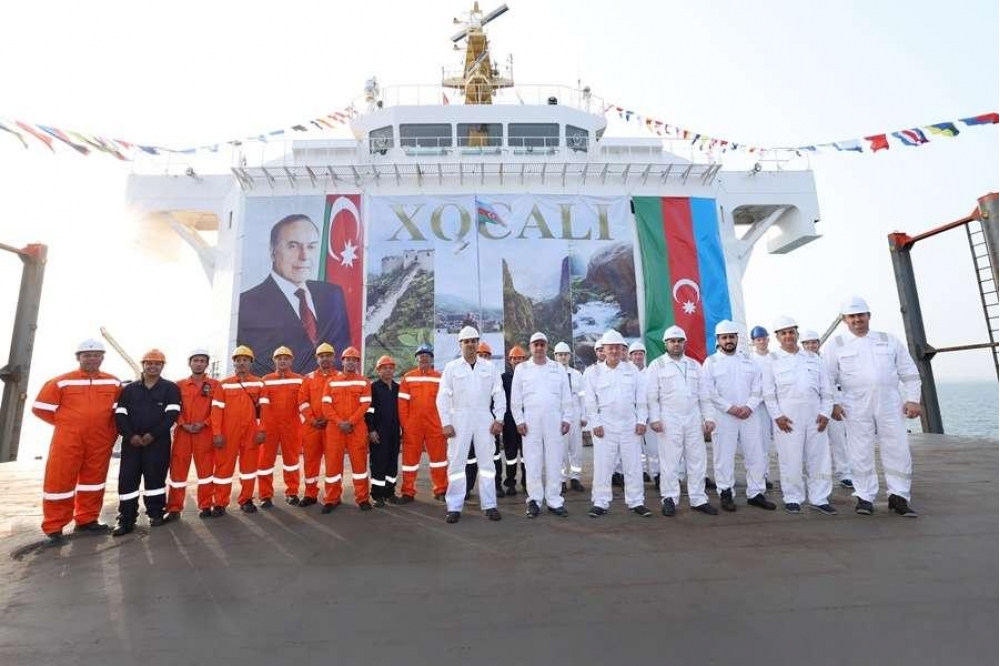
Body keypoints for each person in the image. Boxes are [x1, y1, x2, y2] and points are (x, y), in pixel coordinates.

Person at [825, 296, 922, 517]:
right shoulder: (836, 345)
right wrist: (834, 403)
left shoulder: (888, 340)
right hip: (855, 404)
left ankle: (899, 497)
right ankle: (864, 497)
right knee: (860, 451)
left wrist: (913, 399)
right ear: (844, 319)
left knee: (898, 449)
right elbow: (827, 378)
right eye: (852, 316)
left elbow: (909, 372)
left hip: (889, 403)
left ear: (869, 316)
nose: (857, 320)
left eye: (861, 315)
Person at [237, 214, 351, 376]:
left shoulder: (332, 295)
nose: (304, 256)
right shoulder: (247, 304)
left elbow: (343, 352)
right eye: (293, 246)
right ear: (272, 251)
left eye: (311, 247)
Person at [32, 339, 121, 547]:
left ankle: (87, 519)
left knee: (94, 482)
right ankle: (54, 526)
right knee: (59, 482)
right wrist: (67, 424)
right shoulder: (61, 382)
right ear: (78, 357)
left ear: (102, 358)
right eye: (87, 355)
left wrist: (109, 433)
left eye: (96, 355)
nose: (92, 359)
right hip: (68, 440)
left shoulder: (114, 383)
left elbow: (118, 412)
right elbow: (40, 409)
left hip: (100, 441)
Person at [761, 317, 837, 515]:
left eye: (791, 332)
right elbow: (768, 393)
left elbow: (826, 390)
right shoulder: (771, 360)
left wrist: (825, 412)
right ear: (777, 337)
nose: (788, 336)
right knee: (790, 459)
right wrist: (777, 416)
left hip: (815, 416)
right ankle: (793, 497)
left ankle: (819, 498)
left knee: (819, 458)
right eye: (783, 333)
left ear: (797, 333)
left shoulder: (814, 358)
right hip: (787, 417)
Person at [701, 321, 776, 512]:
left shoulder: (749, 361)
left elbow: (758, 387)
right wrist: (730, 408)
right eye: (724, 338)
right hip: (724, 416)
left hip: (749, 414)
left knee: (755, 454)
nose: (728, 340)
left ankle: (756, 493)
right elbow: (709, 391)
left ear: (737, 338)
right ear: (718, 340)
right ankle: (726, 492)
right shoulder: (711, 362)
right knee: (723, 456)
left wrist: (749, 406)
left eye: (731, 337)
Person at [436, 326, 506, 524]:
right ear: (460, 344)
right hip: (459, 418)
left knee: (487, 464)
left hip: (484, 418)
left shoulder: (489, 367)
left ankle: (490, 505)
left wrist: (499, 419)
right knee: (457, 463)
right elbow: (442, 397)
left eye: (474, 341)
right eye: (466, 341)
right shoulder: (451, 368)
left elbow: (499, 393)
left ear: (478, 343)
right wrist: (446, 422)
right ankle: (454, 507)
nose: (470, 344)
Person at [646, 326, 718, 516]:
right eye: (672, 341)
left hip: (693, 418)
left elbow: (704, 395)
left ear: (684, 343)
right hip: (669, 418)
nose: (676, 344)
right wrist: (655, 418)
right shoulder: (657, 365)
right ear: (665, 344)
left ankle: (698, 498)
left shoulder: (694, 365)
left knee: (697, 459)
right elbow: (652, 396)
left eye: (679, 341)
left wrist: (709, 417)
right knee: (670, 461)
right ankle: (669, 498)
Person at [112, 349, 181, 536]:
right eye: (149, 363)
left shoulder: (170, 388)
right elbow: (120, 414)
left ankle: (156, 513)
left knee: (156, 479)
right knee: (127, 481)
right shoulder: (129, 389)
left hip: (158, 443)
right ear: (143, 365)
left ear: (162, 366)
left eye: (157, 363)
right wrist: (130, 436)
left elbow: (171, 415)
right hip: (131, 444)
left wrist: (153, 435)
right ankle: (126, 519)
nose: (153, 366)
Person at [584, 329, 652, 518]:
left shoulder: (632, 370)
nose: (614, 351)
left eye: (617, 348)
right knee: (603, 466)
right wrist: (595, 423)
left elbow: (642, 398)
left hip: (630, 425)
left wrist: (641, 420)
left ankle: (636, 501)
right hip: (605, 426)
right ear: (603, 349)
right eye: (610, 348)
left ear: (623, 350)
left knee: (633, 465)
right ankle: (600, 502)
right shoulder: (593, 372)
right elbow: (590, 401)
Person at [511, 332, 572, 518]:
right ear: (530, 347)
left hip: (554, 420)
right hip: (531, 421)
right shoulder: (522, 369)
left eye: (542, 344)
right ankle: (534, 500)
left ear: (547, 347)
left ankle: (554, 500)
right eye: (535, 344)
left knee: (554, 460)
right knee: (532, 461)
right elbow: (515, 399)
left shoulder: (557, 368)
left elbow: (566, 396)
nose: (539, 348)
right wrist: (519, 420)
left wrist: (567, 418)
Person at [210, 346, 266, 516]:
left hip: (251, 432)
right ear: (233, 363)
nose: (241, 363)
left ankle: (246, 499)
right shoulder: (224, 385)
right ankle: (220, 503)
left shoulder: (259, 383)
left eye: (245, 360)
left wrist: (262, 430)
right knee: (223, 468)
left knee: (249, 468)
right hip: (228, 432)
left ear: (251, 363)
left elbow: (265, 410)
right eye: (238, 360)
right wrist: (217, 433)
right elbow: (216, 411)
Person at [166, 349, 220, 519]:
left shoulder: (215, 385)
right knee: (178, 473)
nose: (199, 364)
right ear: (189, 363)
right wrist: (183, 424)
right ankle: (174, 508)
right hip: (183, 434)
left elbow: (217, 410)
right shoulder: (178, 385)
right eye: (195, 360)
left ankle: (205, 505)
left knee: (205, 473)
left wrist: (205, 423)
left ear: (207, 364)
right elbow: (173, 408)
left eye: (202, 361)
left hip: (204, 433)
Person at [321, 346, 372, 512]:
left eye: (354, 360)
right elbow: (326, 406)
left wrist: (350, 422)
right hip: (335, 429)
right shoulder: (331, 382)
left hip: (356, 428)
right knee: (333, 466)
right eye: (348, 359)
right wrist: (339, 422)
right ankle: (331, 499)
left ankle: (362, 498)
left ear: (357, 363)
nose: (351, 362)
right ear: (342, 361)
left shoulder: (364, 382)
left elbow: (365, 404)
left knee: (359, 467)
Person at [397, 343, 449, 503]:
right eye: (421, 355)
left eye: (427, 355)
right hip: (413, 426)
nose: (424, 358)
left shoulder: (440, 378)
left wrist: (445, 423)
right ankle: (408, 492)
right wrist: (406, 425)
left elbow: (447, 402)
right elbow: (402, 404)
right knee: (409, 462)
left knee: (439, 460)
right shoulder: (408, 377)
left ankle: (441, 489)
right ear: (417, 359)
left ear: (432, 359)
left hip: (435, 425)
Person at [801, 329, 853, 489]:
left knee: (839, 440)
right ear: (802, 345)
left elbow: (836, 383)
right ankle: (812, 475)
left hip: (832, 405)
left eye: (814, 342)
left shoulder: (828, 361)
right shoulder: (798, 362)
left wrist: (836, 404)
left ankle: (845, 473)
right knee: (811, 444)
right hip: (811, 408)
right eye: (807, 343)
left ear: (818, 344)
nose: (811, 346)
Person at [258, 346, 304, 508]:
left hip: (292, 426)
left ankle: (292, 492)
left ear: (291, 361)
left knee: (292, 461)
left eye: (286, 358)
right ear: (274, 361)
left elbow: (303, 403)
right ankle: (265, 496)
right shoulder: (266, 380)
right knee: (265, 462)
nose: (282, 361)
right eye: (279, 358)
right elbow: (263, 406)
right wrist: (262, 427)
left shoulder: (299, 380)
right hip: (270, 426)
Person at [296, 343, 338, 508]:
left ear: (333, 358)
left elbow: (342, 404)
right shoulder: (308, 378)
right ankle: (310, 494)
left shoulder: (340, 378)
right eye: (322, 356)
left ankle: (333, 496)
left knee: (333, 462)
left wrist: (331, 419)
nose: (325, 359)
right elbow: (302, 401)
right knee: (310, 461)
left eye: (328, 356)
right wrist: (312, 420)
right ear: (317, 358)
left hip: (332, 426)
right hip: (312, 426)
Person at [464, 341, 505, 498]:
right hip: (471, 423)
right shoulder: (467, 375)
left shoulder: (494, 374)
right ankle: (467, 488)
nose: (483, 357)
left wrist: (499, 420)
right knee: (470, 457)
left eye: (486, 355)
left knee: (494, 456)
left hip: (490, 423)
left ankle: (496, 486)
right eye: (480, 355)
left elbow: (500, 398)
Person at [367, 355, 402, 507]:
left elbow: (402, 411)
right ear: (378, 370)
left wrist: (402, 430)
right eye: (384, 368)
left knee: (392, 462)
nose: (388, 371)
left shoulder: (398, 388)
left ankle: (390, 493)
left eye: (390, 368)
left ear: (394, 370)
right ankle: (377, 495)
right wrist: (371, 430)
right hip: (379, 432)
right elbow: (369, 411)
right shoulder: (373, 388)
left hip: (394, 432)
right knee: (378, 463)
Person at [553, 341, 587, 493]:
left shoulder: (577, 375)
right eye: (560, 355)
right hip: (559, 418)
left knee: (576, 450)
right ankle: (561, 480)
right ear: (555, 356)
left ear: (569, 356)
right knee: (560, 451)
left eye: (565, 354)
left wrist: (584, 415)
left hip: (575, 417)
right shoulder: (552, 375)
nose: (563, 357)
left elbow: (583, 398)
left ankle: (575, 478)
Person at [629, 340, 659, 486]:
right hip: (631, 418)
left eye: (640, 353)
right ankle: (641, 472)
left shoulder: (651, 373)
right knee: (636, 448)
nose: (638, 356)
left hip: (649, 416)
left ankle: (657, 473)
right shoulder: (627, 373)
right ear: (630, 356)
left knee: (653, 448)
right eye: (635, 354)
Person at [750, 325, 776, 490]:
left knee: (777, 442)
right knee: (761, 441)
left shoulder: (776, 357)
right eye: (758, 339)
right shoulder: (749, 359)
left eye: (764, 339)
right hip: (759, 406)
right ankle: (762, 475)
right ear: (753, 342)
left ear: (768, 339)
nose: (761, 342)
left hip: (776, 403)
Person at [501, 345, 528, 495]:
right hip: (509, 421)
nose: (517, 361)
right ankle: (510, 483)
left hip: (526, 420)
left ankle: (526, 483)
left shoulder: (530, 376)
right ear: (509, 360)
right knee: (510, 454)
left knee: (527, 454)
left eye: (519, 358)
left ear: (524, 359)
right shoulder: (504, 378)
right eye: (514, 358)